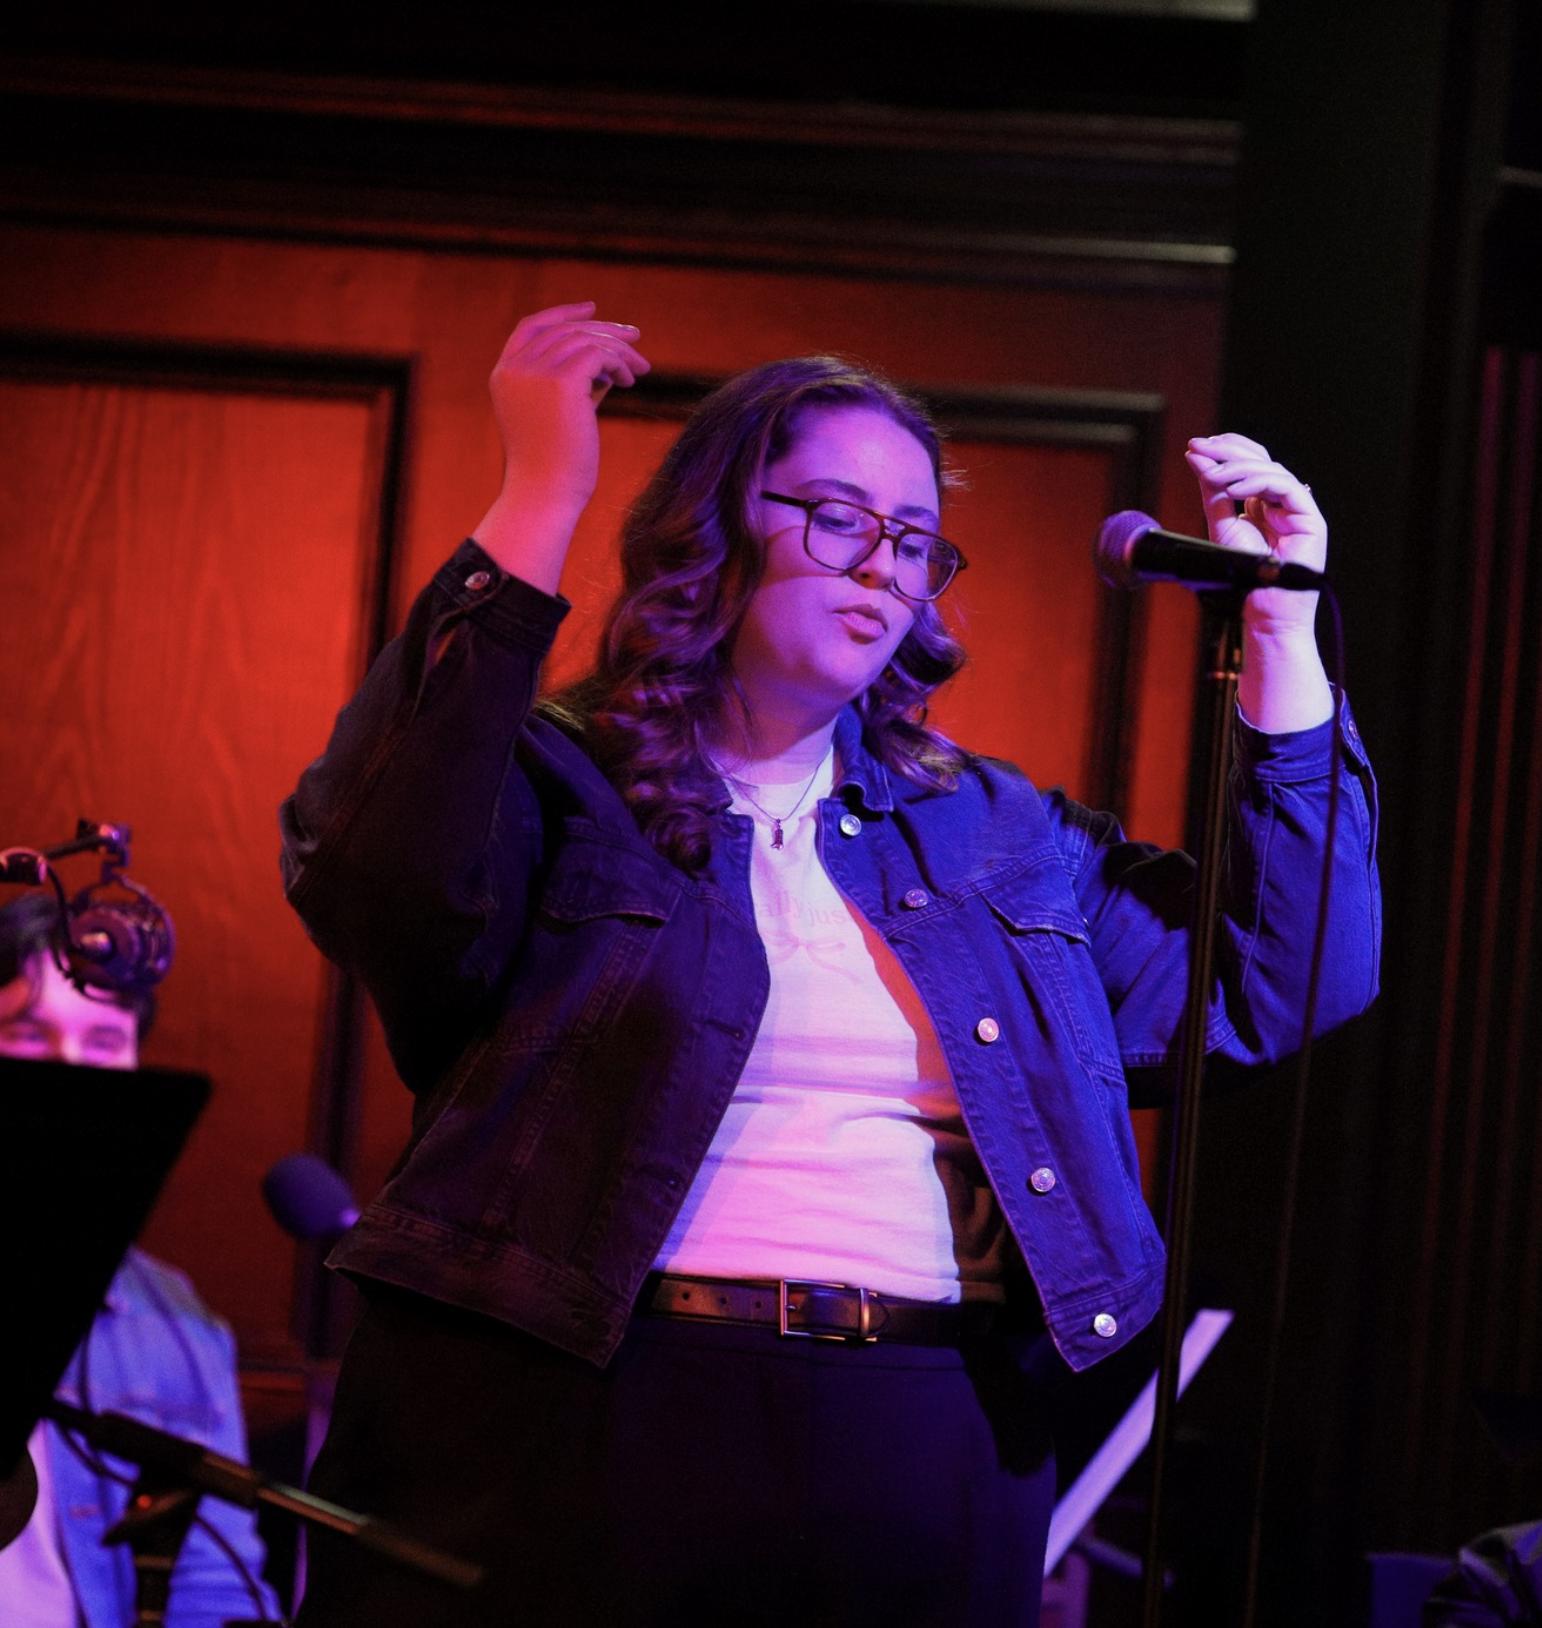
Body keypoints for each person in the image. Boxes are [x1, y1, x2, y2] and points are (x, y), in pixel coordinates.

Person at [280, 302, 1380, 1627]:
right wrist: (541, 493)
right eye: (838, 518)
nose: (879, 566)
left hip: (927, 1425)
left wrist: (1280, 638)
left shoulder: (993, 832)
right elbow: (369, 864)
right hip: (603, 1405)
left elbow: (1284, 975)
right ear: (721, 523)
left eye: (911, 541)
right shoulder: (561, 782)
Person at [0, 892, 280, 1627]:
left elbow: (214, 1589)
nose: (69, 1073)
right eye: (27, 1035)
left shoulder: (174, 1318)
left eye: (100, 1045)